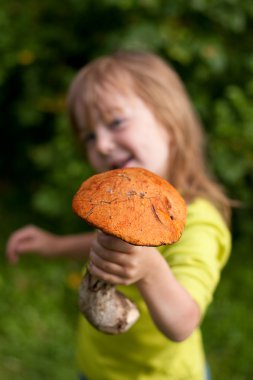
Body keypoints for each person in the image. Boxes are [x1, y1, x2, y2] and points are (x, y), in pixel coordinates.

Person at [6, 51, 232, 380]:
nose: (103, 145)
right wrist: (55, 246)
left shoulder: (198, 222)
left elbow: (183, 321)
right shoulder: (121, 211)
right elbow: (103, 246)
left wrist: (152, 270)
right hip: (98, 367)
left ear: (169, 120)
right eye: (89, 136)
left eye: (116, 122)